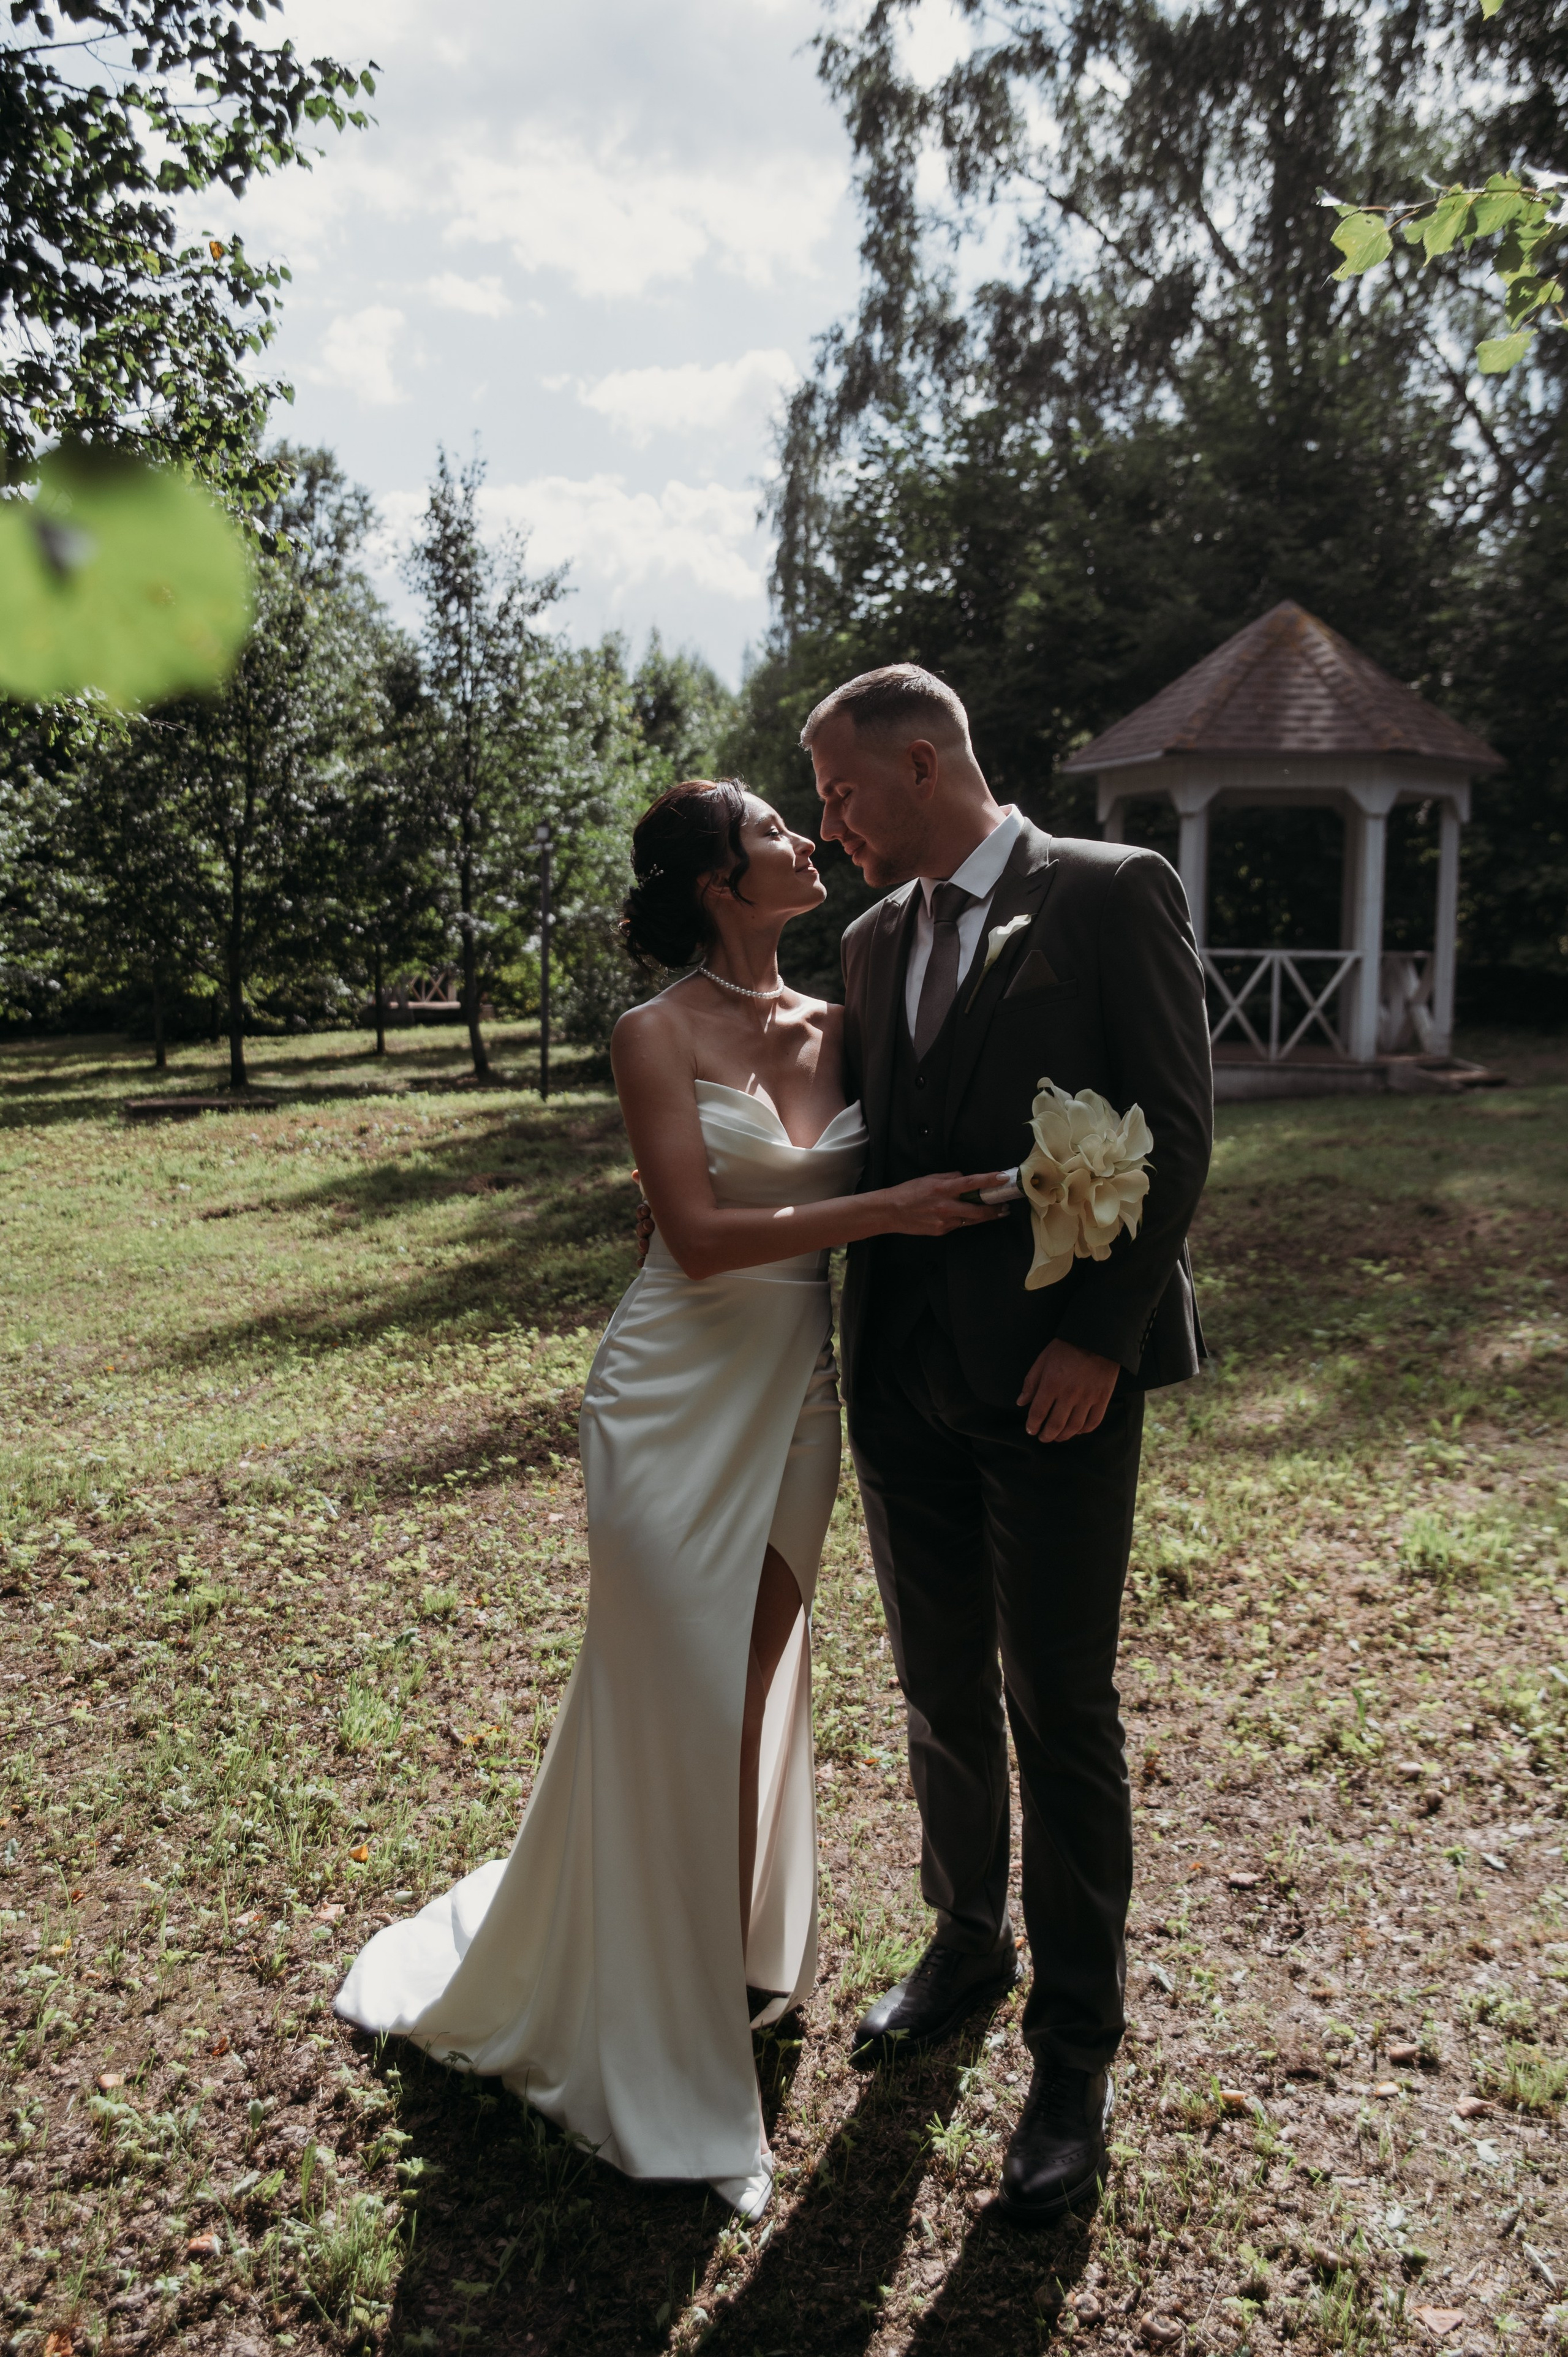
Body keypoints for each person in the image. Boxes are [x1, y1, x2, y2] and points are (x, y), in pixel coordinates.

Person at [334, 777, 1005, 2221]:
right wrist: (885, 1207)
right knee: (665, 1688)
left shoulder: (846, 1024)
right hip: (665, 1394)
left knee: (748, 1688)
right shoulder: (652, 1033)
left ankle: (704, 1962)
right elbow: (696, 1238)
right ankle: (653, 2033)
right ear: (718, 878)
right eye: (774, 830)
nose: (804, 840)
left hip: (799, 1401)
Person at [799, 663, 1213, 2224]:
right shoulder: (864, 939)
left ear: (922, 763)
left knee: (1061, 1705)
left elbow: (1172, 1128)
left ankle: (1072, 2056)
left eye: (840, 792)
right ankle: (964, 1939)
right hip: (900, 1384)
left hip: (1053, 1386)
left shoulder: (1107, 896)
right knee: (933, 1690)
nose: (829, 824)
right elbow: (868, 1154)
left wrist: (1095, 1343)